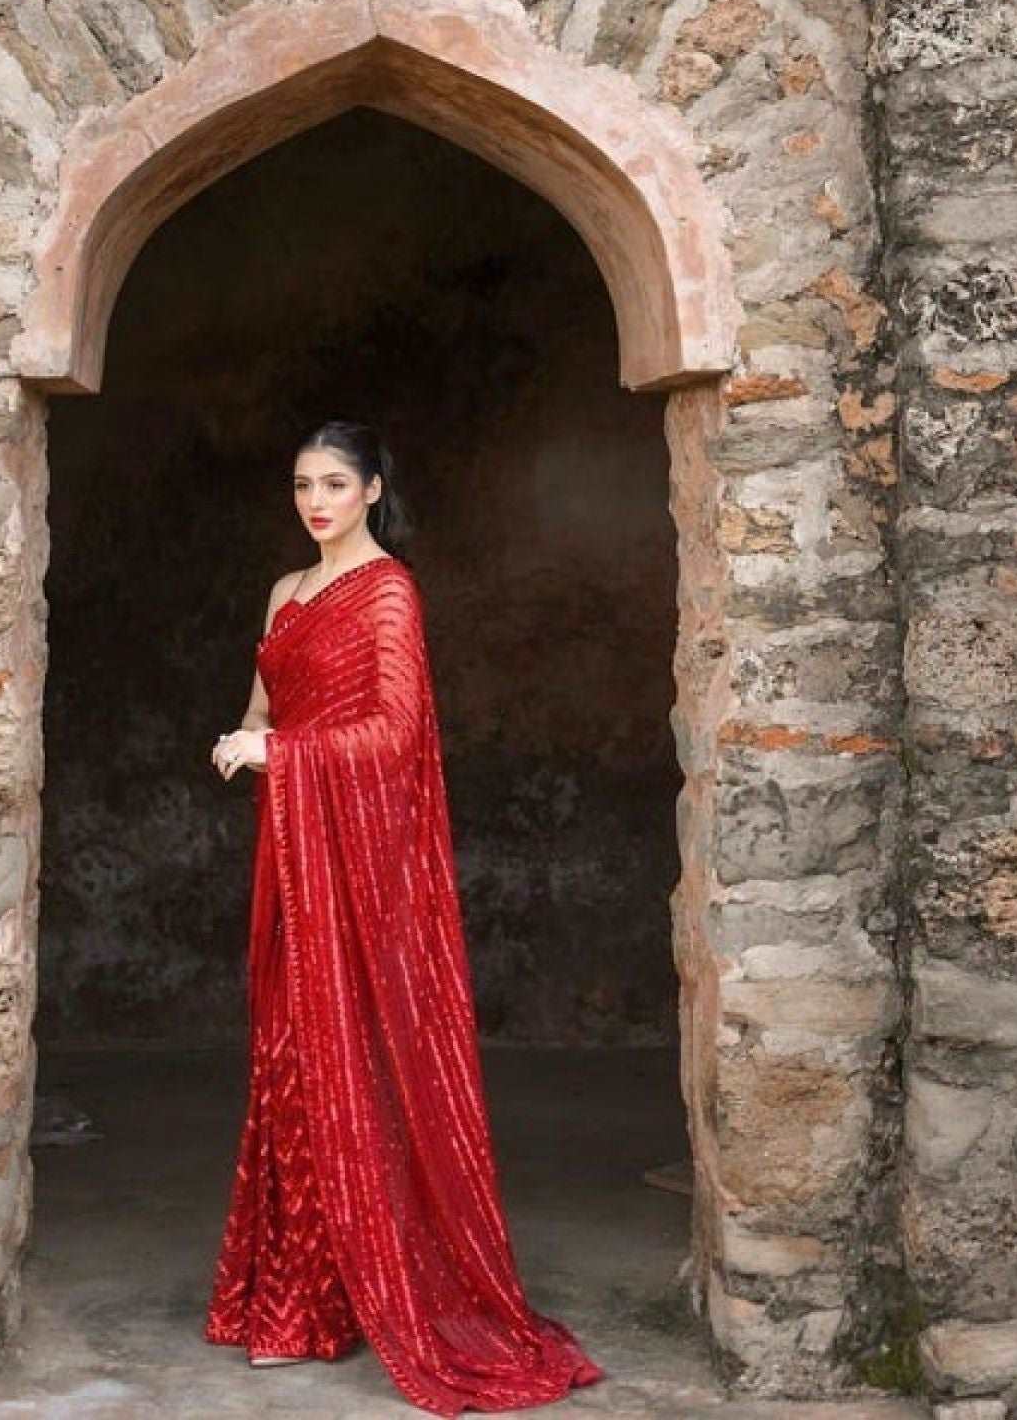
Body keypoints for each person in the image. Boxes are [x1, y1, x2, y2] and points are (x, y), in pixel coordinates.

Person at [201, 420, 605, 1416]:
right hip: (295, 856)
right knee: (289, 1058)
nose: (316, 501)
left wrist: (281, 760)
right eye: (303, 483)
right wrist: (246, 739)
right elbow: (265, 707)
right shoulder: (285, 592)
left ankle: (363, 1295)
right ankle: (299, 1302)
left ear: (373, 489)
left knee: (359, 1064)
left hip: (362, 868)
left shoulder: (388, 593)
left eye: (335, 483)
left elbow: (396, 733)